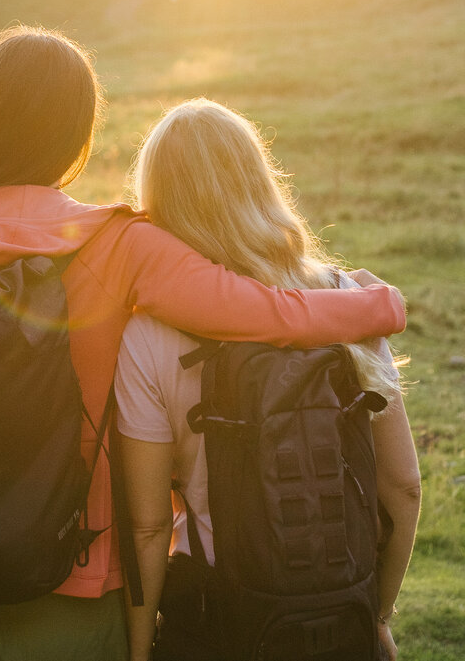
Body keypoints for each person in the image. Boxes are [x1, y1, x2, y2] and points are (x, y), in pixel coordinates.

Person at [0, 27, 408, 661]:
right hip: (73, 585)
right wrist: (378, 305)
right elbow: (261, 313)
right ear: (76, 134)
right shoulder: (117, 245)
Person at [114, 98, 423, 661]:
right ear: (259, 182)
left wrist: (139, 651)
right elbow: (403, 489)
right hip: (339, 612)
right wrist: (375, 616)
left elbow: (149, 527)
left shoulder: (149, 336)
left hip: (213, 622)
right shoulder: (346, 301)